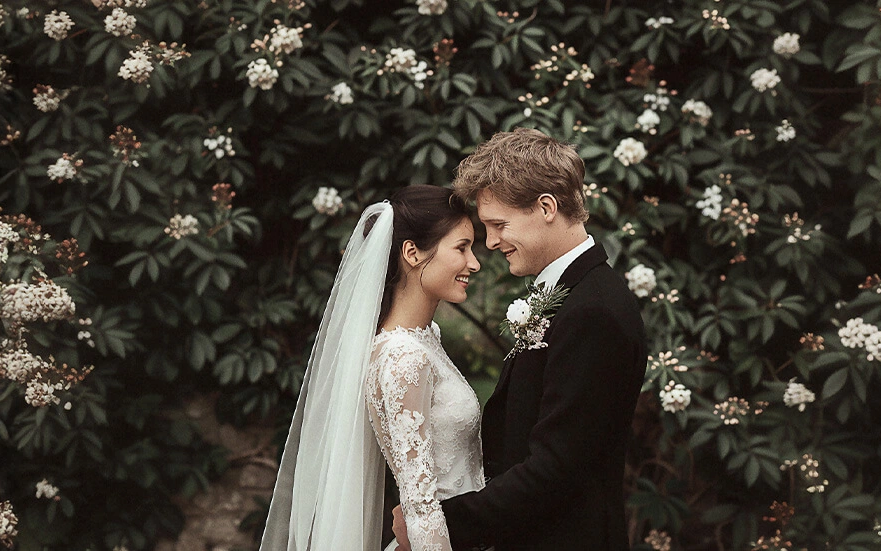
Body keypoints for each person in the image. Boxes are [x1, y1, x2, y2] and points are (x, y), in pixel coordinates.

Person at [393, 128, 647, 551]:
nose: (490, 243)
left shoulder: (594, 311)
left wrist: (440, 526)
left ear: (546, 207)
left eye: (498, 225)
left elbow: (557, 468)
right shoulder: (574, 296)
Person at [259, 185, 485, 551]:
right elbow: (421, 507)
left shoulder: (425, 339)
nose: (474, 263)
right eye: (461, 248)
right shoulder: (403, 359)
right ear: (411, 253)